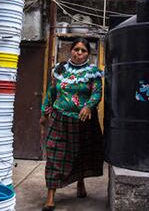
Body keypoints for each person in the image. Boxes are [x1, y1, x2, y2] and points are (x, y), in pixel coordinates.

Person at [40, 37, 104, 211]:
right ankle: (50, 198)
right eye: (76, 49)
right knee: (54, 155)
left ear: (88, 54)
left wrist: (89, 106)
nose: (79, 53)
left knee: (80, 154)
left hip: (83, 122)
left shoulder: (93, 73)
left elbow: (97, 93)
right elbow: (51, 93)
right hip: (59, 119)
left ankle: (80, 183)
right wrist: (44, 113)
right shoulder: (59, 71)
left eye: (83, 51)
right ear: (71, 50)